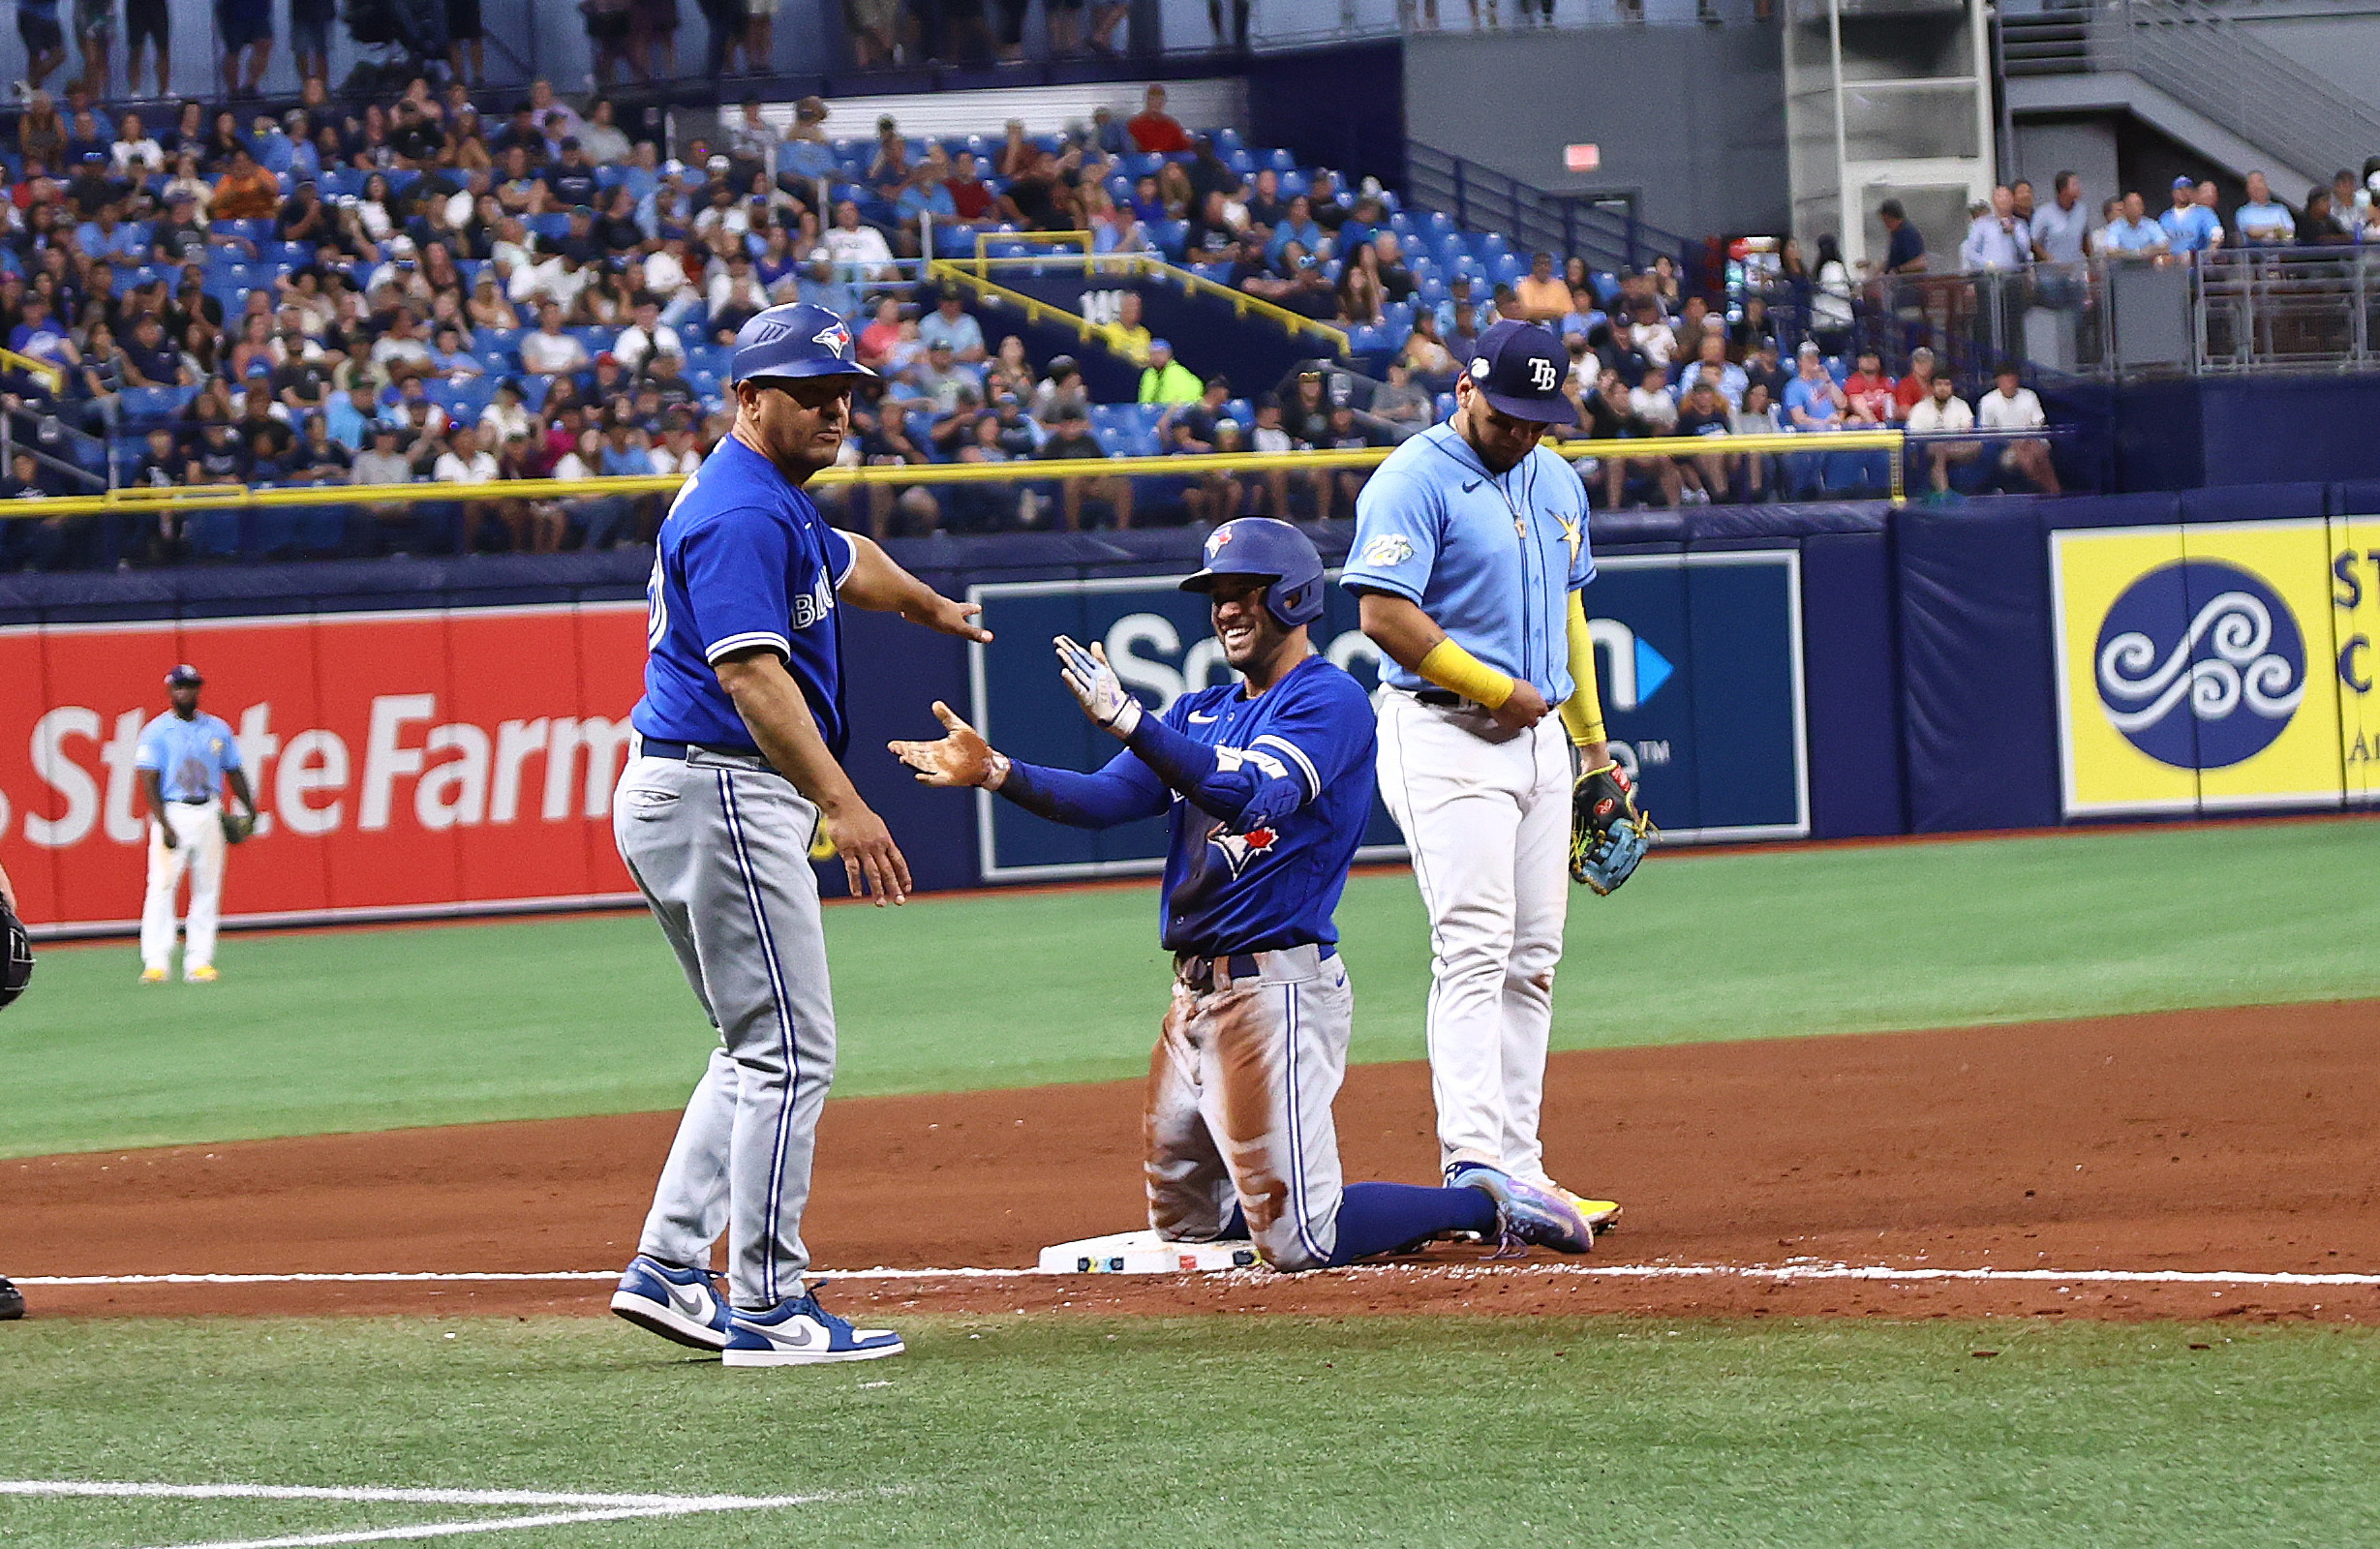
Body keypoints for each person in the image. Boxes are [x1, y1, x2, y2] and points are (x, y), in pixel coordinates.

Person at [889, 522, 1598, 1271]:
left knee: (1302, 1242)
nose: (1226, 610)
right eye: (1217, 595)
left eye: (1243, 592)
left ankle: (1486, 1202)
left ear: (1293, 598)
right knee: (1190, 1232)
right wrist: (997, 769)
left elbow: (1255, 794)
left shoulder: (1331, 702)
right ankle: (1280, 1196)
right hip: (1192, 1002)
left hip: (1277, 995)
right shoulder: (1201, 709)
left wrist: (1129, 721)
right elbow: (1105, 800)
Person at [605, 302, 992, 1367]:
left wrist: (922, 603)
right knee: (790, 1049)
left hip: (685, 790)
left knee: (750, 1046)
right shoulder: (738, 512)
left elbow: (845, 557)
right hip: (722, 786)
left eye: (844, 394)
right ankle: (769, 1303)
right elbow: (749, 673)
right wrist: (842, 800)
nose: (833, 410)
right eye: (809, 393)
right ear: (748, 398)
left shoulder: (767, 498)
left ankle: (671, 1266)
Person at [1339, 319, 1631, 1227]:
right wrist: (1493, 686)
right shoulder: (1413, 478)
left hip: (1541, 742)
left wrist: (1591, 749)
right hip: (1443, 735)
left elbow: (1571, 614)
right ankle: (1475, 1169)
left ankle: (1523, 1169)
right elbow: (1384, 617)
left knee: (1533, 961)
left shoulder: (1556, 477)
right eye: (1509, 415)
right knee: (1473, 946)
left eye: (1540, 418)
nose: (1524, 433)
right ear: (1465, 389)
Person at [136, 664, 259, 986]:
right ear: (169, 691)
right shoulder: (157, 731)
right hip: (173, 811)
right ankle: (156, 961)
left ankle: (199, 960)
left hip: (208, 811)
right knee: (162, 887)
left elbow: (233, 770)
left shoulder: (216, 729)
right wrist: (163, 824)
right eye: (180, 687)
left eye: (191, 686)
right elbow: (148, 780)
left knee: (207, 886)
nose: (185, 692)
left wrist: (251, 809)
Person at [1975, 363, 2060, 494]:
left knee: (2037, 451)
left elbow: (2039, 422)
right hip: (2005, 447)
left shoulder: (2029, 396)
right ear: (1998, 381)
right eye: (2005, 381)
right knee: (2027, 459)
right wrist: (2012, 443)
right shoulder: (1987, 401)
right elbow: (1988, 433)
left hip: (2033, 440)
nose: (2009, 385)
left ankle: (2054, 491)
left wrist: (2026, 439)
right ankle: (2050, 492)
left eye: (2012, 380)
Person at [1904, 371, 1978, 495]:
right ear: (1932, 387)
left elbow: (1967, 430)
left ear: (1952, 388)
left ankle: (1943, 486)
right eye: (1939, 384)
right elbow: (1913, 434)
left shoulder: (1961, 405)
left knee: (1977, 444)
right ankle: (1943, 491)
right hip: (1927, 447)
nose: (1943, 388)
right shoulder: (1920, 407)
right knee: (1938, 448)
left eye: (1947, 384)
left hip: (1955, 447)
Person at [2159, 175, 2222, 257]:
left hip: (2196, 263)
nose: (2184, 192)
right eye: (2180, 189)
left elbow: (2217, 235)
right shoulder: (2165, 217)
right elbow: (2160, 243)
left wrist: (2207, 254)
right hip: (2171, 265)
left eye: (2187, 189)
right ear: (2173, 193)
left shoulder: (2204, 213)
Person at [2234, 172, 2293, 248]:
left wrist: (2267, 232)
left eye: (2260, 183)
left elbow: (2290, 233)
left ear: (2266, 187)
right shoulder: (2243, 212)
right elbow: (2252, 232)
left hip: (2281, 253)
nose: (2257, 187)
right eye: (2253, 186)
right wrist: (2276, 229)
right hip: (2255, 253)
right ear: (2248, 190)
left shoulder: (2280, 209)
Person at [1136, 338, 1202, 405]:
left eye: (1161, 353)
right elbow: (1143, 403)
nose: (1157, 357)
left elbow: (1167, 405)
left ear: (1169, 355)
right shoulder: (1149, 374)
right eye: (1153, 353)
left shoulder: (1175, 372)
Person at [1876, 198, 1927, 275]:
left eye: (1887, 221)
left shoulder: (1909, 233)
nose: (1886, 225)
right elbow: (1892, 260)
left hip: (1909, 281)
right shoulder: (1896, 233)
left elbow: (1920, 263)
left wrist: (1898, 270)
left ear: (1893, 218)